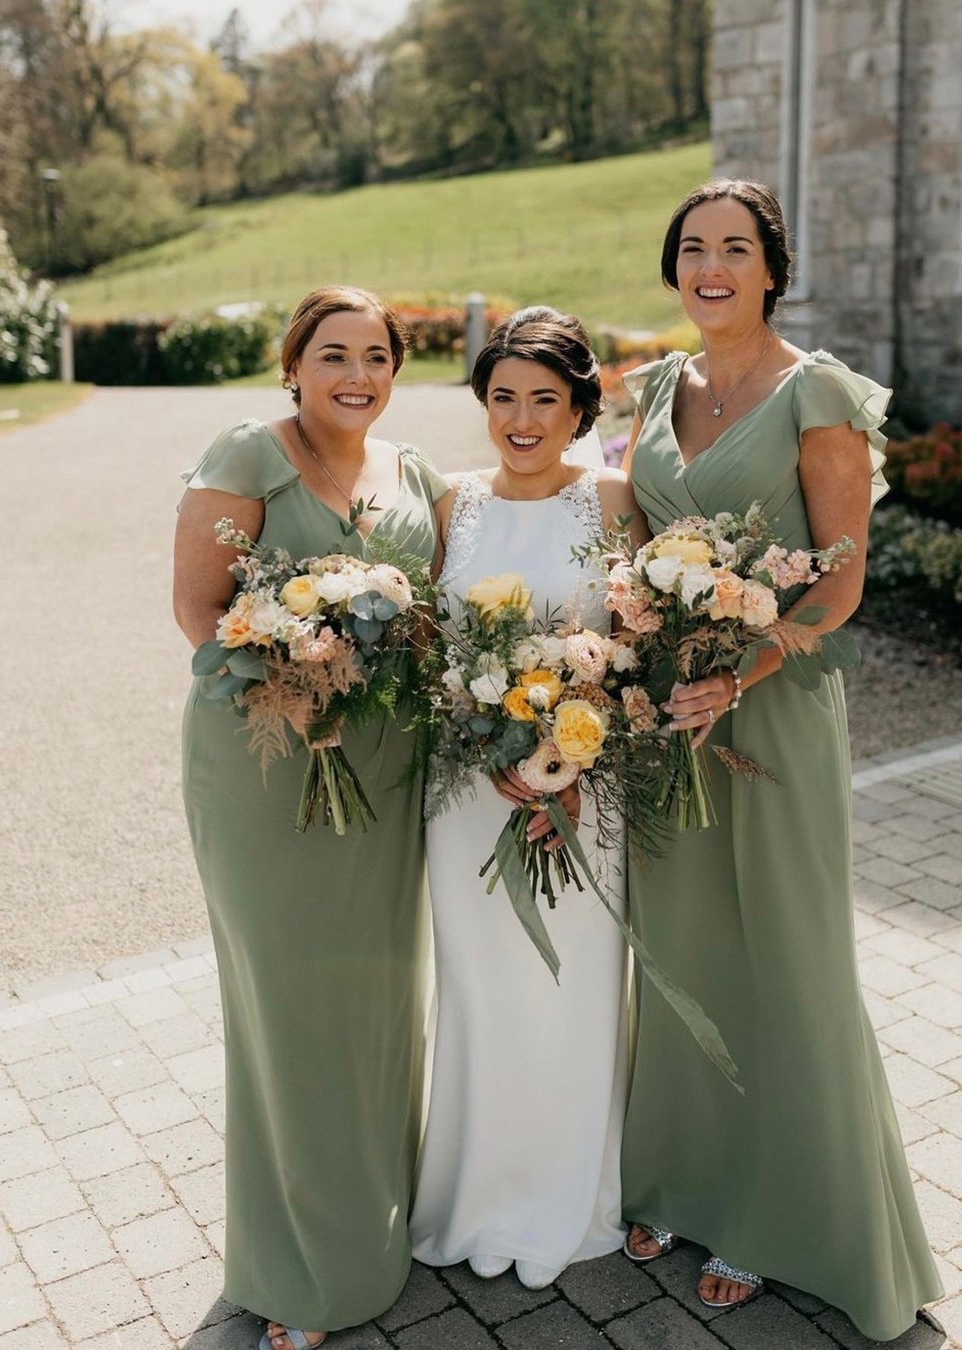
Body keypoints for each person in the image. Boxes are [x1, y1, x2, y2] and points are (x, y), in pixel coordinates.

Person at [618, 181, 943, 1342]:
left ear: (771, 269)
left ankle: (779, 1215)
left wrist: (735, 674)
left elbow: (842, 581)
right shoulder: (654, 386)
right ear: (676, 268)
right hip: (666, 714)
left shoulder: (819, 394)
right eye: (692, 247)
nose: (712, 267)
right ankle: (672, 1179)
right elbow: (623, 542)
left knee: (786, 957)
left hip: (772, 707)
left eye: (735, 250)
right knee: (684, 946)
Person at [173, 286, 447, 1350]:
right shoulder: (249, 453)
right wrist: (295, 666)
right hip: (269, 759)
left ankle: (382, 1219)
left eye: (377, 356)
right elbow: (200, 610)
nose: (357, 374)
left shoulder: (410, 471)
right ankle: (296, 1266)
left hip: (387, 764)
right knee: (289, 1008)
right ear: (296, 362)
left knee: (379, 995)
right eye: (335, 354)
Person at [409, 306, 646, 1290]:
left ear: (581, 405)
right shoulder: (453, 503)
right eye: (502, 396)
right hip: (466, 786)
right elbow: (430, 639)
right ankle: (471, 1190)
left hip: (587, 786)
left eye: (544, 398)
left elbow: (635, 636)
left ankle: (565, 1193)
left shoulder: (613, 500)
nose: (520, 416)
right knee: (482, 986)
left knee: (567, 985)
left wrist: (571, 744)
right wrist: (478, 730)